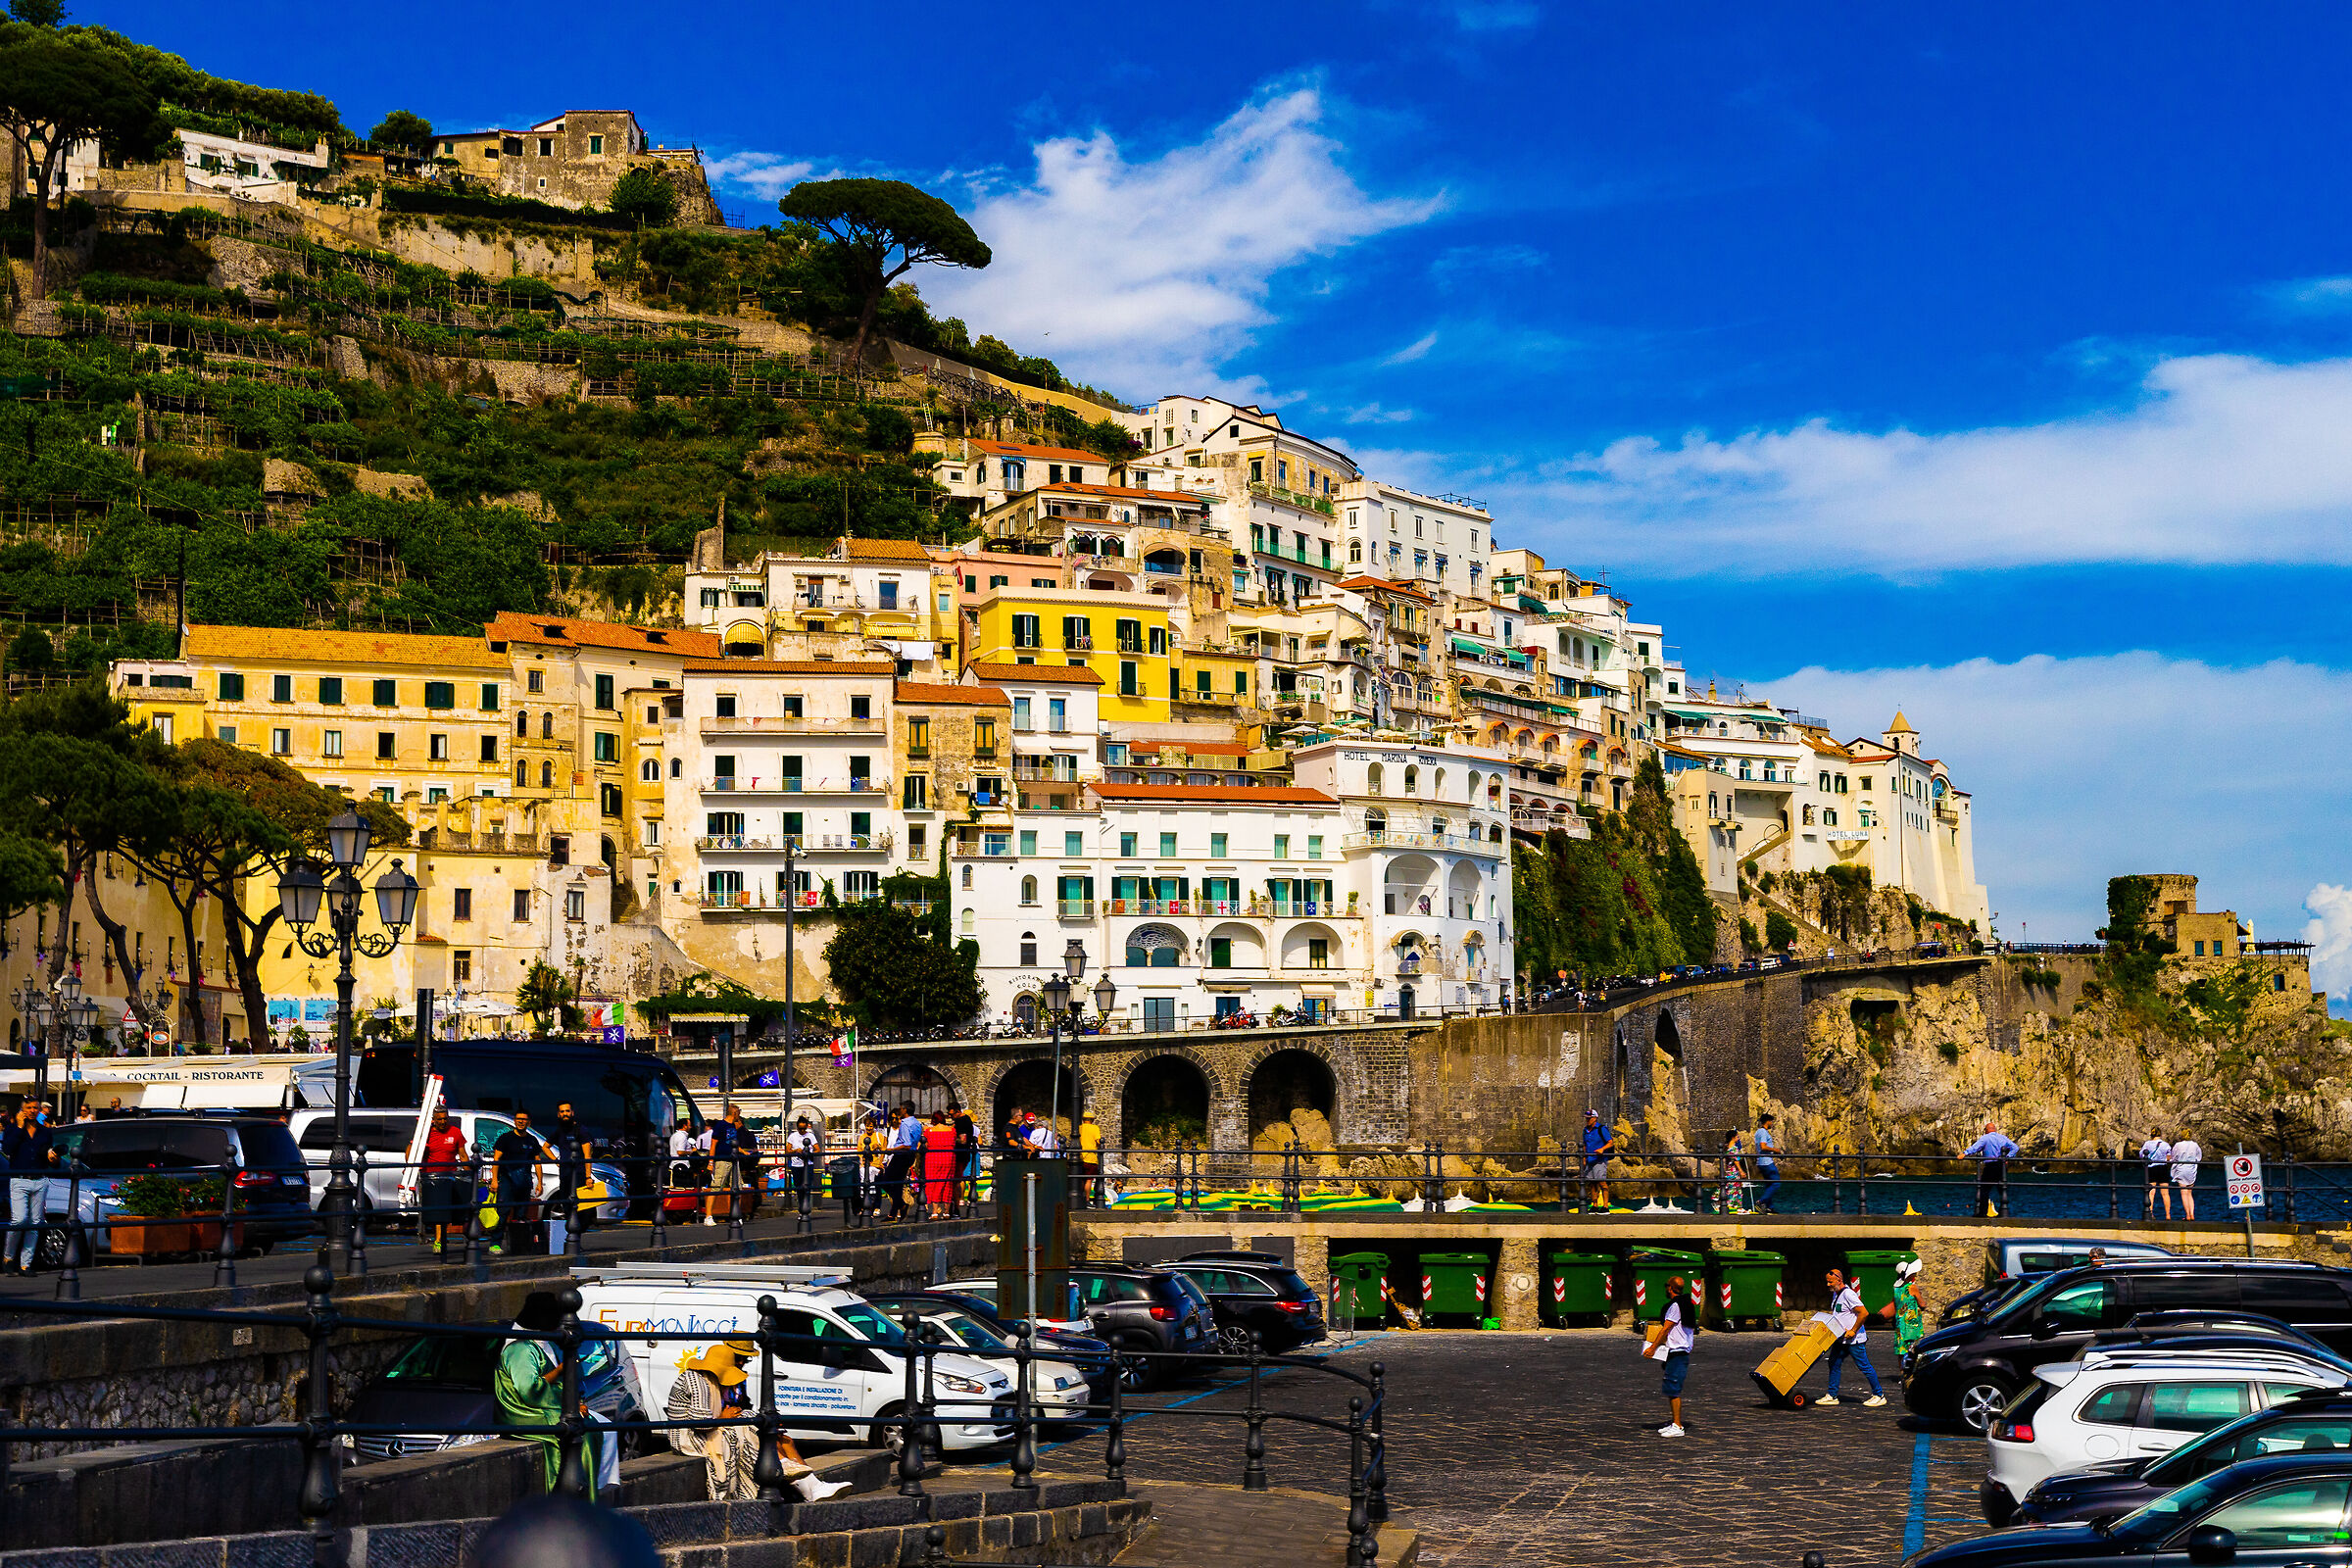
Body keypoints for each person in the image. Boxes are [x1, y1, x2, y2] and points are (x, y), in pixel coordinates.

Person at [663, 1339, 846, 1503]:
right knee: (753, 1429)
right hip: (689, 1437)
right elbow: (699, 1422)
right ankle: (798, 1478)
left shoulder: (715, 1381)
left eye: (745, 1360)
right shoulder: (697, 1381)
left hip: (712, 1428)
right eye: (739, 1359)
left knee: (781, 1438)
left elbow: (740, 1407)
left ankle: (814, 1486)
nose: (742, 1364)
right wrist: (724, 1418)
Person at [496, 1291, 595, 1496]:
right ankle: (575, 1495)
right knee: (582, 1430)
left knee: (593, 1423)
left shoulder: (542, 1341)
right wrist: (560, 1370)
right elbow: (530, 1390)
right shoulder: (521, 1348)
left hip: (542, 1407)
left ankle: (593, 1488)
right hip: (524, 1413)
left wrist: (574, 1403)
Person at [1816, 1268, 1886, 1407]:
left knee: (1864, 1366)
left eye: (1830, 1282)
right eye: (1827, 1282)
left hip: (1853, 1340)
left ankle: (1879, 1395)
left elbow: (1863, 1313)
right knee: (1834, 1363)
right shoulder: (1836, 1294)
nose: (1828, 1285)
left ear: (1839, 1280)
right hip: (1840, 1338)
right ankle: (1832, 1395)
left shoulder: (1848, 1294)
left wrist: (1853, 1330)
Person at [4, 1100, 53, 1276]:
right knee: (19, 1220)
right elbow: (8, 1149)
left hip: (40, 1180)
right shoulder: (13, 1129)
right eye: (28, 1108)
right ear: (21, 1110)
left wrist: (51, 1157)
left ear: (40, 1110)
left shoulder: (45, 1131)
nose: (32, 1111)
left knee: (34, 1223)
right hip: (19, 1179)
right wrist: (18, 1127)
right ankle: (8, 1257)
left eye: (35, 1108)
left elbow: (47, 1155)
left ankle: (26, 1264)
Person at [492, 1110, 542, 1255]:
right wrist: (495, 1180)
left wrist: (540, 1182)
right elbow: (496, 1160)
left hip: (525, 1180)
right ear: (514, 1121)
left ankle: (518, 1246)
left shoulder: (532, 1140)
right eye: (518, 1119)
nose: (521, 1121)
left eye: (524, 1119)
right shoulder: (505, 1138)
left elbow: (537, 1162)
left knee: (521, 1215)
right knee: (503, 1212)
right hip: (507, 1179)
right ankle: (495, 1244)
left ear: (529, 1122)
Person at [420, 1106, 469, 1253]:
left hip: (451, 1176)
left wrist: (469, 1175)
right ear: (433, 1120)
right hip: (432, 1177)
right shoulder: (426, 1133)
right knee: (439, 1210)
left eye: (445, 1118)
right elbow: (412, 1150)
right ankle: (438, 1241)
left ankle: (468, 1239)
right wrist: (412, 1167)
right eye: (439, 1119)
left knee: (458, 1208)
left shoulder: (455, 1132)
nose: (442, 1121)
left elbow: (463, 1154)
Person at [1657, 1271, 1696, 1438]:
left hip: (1678, 1352)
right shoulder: (1687, 1303)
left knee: (1673, 1389)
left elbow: (1666, 1328)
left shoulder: (1675, 1306)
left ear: (1671, 1288)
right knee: (1671, 1387)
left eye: (1667, 1286)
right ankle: (1674, 1422)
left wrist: (1653, 1347)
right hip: (1681, 1350)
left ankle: (1678, 1426)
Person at [554, 1101, 594, 1247]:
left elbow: (587, 1155)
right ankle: (571, 1239)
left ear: (572, 1112)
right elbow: (545, 1146)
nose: (565, 1114)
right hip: (564, 1174)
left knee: (581, 1209)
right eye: (562, 1112)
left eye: (567, 1111)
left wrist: (588, 1176)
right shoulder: (559, 1130)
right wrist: (555, 1160)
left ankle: (576, 1238)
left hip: (578, 1174)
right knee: (567, 1206)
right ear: (558, 1114)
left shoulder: (581, 1130)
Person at [1962, 1122, 2019, 1217]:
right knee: (2002, 1188)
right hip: (2001, 1165)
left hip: (1990, 1165)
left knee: (1984, 1189)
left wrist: (1964, 1153)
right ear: (1995, 1129)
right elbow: (2015, 1147)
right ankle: (2003, 1211)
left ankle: (1982, 1213)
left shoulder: (1985, 1138)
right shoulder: (2003, 1138)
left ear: (1987, 1130)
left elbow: (1975, 1147)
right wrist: (2007, 1157)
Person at [881, 1102, 920, 1221]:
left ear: (905, 1110)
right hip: (911, 1155)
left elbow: (906, 1144)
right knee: (897, 1184)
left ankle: (901, 1204)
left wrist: (891, 1150)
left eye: (901, 1109)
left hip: (901, 1155)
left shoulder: (904, 1124)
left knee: (884, 1181)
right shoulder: (917, 1123)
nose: (900, 1111)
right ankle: (893, 1213)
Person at [1886, 1258, 1927, 1366]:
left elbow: (1895, 1304)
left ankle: (1902, 1374)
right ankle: (1912, 1373)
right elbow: (1922, 1304)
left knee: (1901, 1351)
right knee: (1914, 1349)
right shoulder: (1912, 1287)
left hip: (1900, 1323)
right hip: (1912, 1324)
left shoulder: (1896, 1288)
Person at [921, 1110, 957, 1214]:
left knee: (933, 1183)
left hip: (933, 1158)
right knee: (947, 1183)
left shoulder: (929, 1131)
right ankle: (946, 1212)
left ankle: (934, 1211)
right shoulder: (952, 1130)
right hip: (948, 1158)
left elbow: (925, 1145)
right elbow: (955, 1141)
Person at [730, 1105, 762, 1221]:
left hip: (739, 1163)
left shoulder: (734, 1134)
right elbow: (755, 1149)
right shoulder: (750, 1134)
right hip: (750, 1164)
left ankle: (737, 1211)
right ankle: (751, 1210)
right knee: (753, 1186)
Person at [782, 1115, 820, 1213]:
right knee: (799, 1187)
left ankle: (806, 1206)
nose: (802, 1131)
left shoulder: (810, 1136)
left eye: (804, 1129)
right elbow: (787, 1151)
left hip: (808, 1164)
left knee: (807, 1186)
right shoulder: (793, 1136)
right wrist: (795, 1151)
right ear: (797, 1127)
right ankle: (801, 1207)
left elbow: (818, 1149)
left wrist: (809, 1154)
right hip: (796, 1165)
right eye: (800, 1129)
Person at [1581, 1109, 1614, 1210]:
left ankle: (1605, 1206)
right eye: (1586, 1118)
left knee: (1602, 1182)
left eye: (1589, 1118)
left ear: (1594, 1118)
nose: (1587, 1120)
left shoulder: (1601, 1129)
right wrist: (1584, 1157)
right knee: (1592, 1183)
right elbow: (1585, 1145)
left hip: (1600, 1159)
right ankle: (1594, 1205)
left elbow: (1610, 1142)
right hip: (1590, 1159)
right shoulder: (1585, 1130)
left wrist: (1602, 1149)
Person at [2140, 1131, 2175, 1220]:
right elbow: (2169, 1157)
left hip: (2151, 1168)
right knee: (2165, 1194)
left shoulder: (2147, 1144)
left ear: (2151, 1135)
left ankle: (2150, 1213)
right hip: (2162, 1168)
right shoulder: (2165, 1144)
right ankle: (2168, 1215)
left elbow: (2142, 1155)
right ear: (2160, 1135)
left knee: (2151, 1193)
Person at [1752, 1112, 1782, 1214]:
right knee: (1776, 1183)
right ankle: (1761, 1202)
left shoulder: (1757, 1132)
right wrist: (1775, 1150)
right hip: (1767, 1162)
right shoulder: (1764, 1132)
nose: (1772, 1124)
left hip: (1760, 1162)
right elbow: (1763, 1146)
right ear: (1768, 1121)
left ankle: (1770, 1207)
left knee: (1769, 1184)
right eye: (1771, 1121)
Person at [2171, 1132, 2203, 1221]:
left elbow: (2173, 1157)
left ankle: (2187, 1215)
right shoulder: (2195, 1145)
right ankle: (2192, 1215)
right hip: (2191, 1170)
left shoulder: (2178, 1145)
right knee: (2190, 1194)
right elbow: (2199, 1157)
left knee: (2184, 1193)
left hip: (2181, 1169)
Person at [953, 1104, 979, 1203]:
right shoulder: (975, 1128)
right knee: (971, 1177)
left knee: (962, 1177)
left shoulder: (959, 1124)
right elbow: (979, 1141)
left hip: (963, 1151)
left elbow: (962, 1140)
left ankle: (961, 1198)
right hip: (973, 1151)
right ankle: (971, 1197)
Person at [1716, 1129, 1746, 1215]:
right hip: (1734, 1172)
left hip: (1728, 1171)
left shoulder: (1726, 1147)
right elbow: (1736, 1160)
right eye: (1737, 1137)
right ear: (1733, 1138)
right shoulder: (1733, 1148)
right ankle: (1733, 1206)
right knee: (1734, 1189)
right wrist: (1741, 1171)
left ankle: (1723, 1204)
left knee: (1728, 1188)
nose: (1739, 1138)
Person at [1076, 1110, 1102, 1206]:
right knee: (1088, 1180)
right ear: (1092, 1120)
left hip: (1079, 1157)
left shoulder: (1079, 1128)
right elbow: (1099, 1141)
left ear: (1083, 1120)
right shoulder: (1094, 1128)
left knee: (1080, 1179)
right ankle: (1086, 1200)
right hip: (1090, 1157)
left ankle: (1079, 1199)